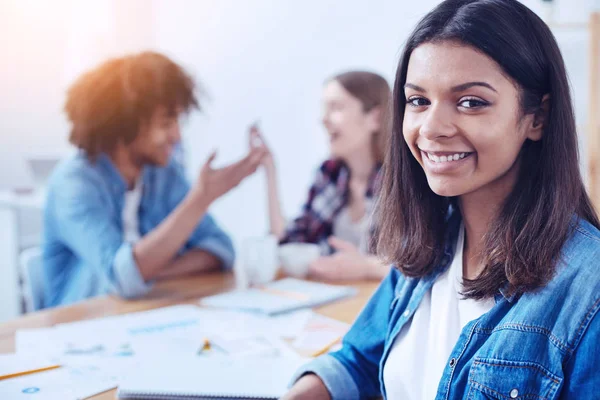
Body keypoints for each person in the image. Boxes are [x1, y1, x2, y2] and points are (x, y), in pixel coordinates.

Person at [284, 0, 600, 398]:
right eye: (418, 101)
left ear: (536, 118)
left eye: (471, 102)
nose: (431, 128)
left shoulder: (589, 289)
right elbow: (359, 362)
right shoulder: (425, 250)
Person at [42, 52, 265, 308]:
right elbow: (122, 277)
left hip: (149, 316)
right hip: (81, 329)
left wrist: (151, 272)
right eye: (166, 123)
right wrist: (198, 201)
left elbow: (221, 249)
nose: (177, 136)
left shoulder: (162, 174)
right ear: (125, 122)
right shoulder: (74, 184)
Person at [251, 71, 391, 281]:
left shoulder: (403, 182)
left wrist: (367, 267)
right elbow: (290, 242)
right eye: (324, 109)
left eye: (336, 107)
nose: (323, 119)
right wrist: (270, 171)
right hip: (335, 299)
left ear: (375, 118)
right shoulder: (331, 175)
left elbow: (425, 266)